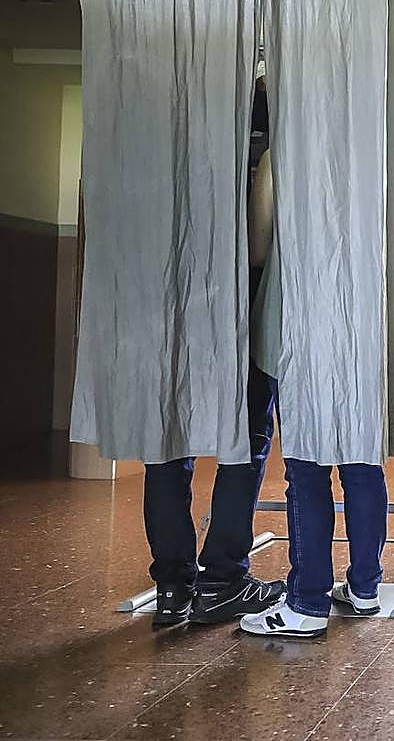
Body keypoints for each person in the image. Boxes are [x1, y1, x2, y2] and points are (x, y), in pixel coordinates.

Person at [238, 85, 390, 639]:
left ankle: (305, 602)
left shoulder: (283, 158)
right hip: (362, 326)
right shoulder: (379, 156)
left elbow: (257, 248)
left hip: (297, 321)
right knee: (361, 459)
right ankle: (366, 587)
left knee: (306, 467)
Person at [145, 74, 285, 627]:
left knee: (167, 442)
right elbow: (254, 246)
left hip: (168, 307)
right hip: (238, 311)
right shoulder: (270, 147)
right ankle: (222, 579)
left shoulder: (178, 136)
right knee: (242, 441)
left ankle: (173, 587)